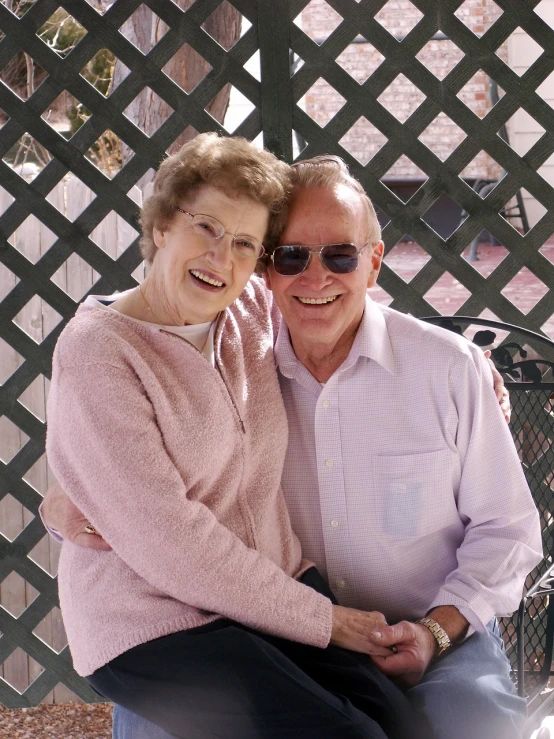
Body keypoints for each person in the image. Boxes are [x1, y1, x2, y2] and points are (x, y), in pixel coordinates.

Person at [44, 152, 542, 739]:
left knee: (449, 727)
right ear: (269, 273)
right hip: (212, 621)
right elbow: (158, 517)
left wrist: (438, 630)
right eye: (291, 257)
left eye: (340, 256)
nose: (315, 277)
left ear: (372, 263)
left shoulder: (438, 369)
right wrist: (70, 497)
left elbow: (507, 529)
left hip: (420, 626)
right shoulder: (214, 336)